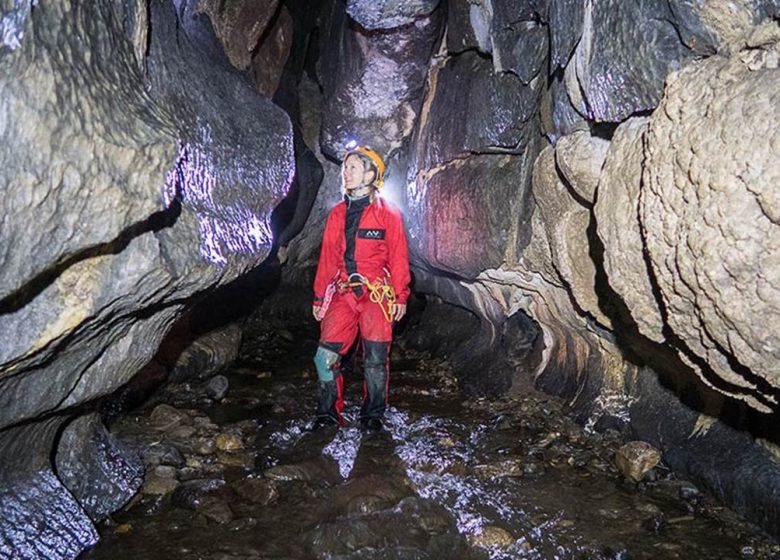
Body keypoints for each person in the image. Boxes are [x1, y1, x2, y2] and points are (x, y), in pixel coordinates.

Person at [311, 145, 411, 432]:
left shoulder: (388, 214)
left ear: (370, 175)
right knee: (324, 356)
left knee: (376, 359)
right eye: (346, 168)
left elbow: (399, 257)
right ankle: (328, 413)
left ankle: (372, 416)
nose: (346, 172)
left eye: (353, 167)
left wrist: (401, 295)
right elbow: (328, 259)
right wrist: (320, 297)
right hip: (343, 293)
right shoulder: (337, 215)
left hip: (376, 295)